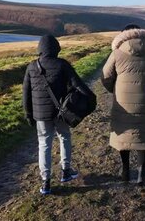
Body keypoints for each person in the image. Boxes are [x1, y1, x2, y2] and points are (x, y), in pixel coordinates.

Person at [23, 34, 95, 195]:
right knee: (64, 138)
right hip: (61, 113)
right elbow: (78, 84)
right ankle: (66, 171)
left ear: (40, 49)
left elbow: (26, 93)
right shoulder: (62, 64)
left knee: (44, 144)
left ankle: (46, 182)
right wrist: (91, 98)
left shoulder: (31, 67)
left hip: (40, 115)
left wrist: (28, 114)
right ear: (56, 48)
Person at [101, 24, 145, 194]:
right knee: (143, 136)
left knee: (124, 134)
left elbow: (105, 77)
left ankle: (125, 171)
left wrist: (114, 91)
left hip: (122, 102)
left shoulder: (116, 53)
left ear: (123, 35)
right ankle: (142, 177)